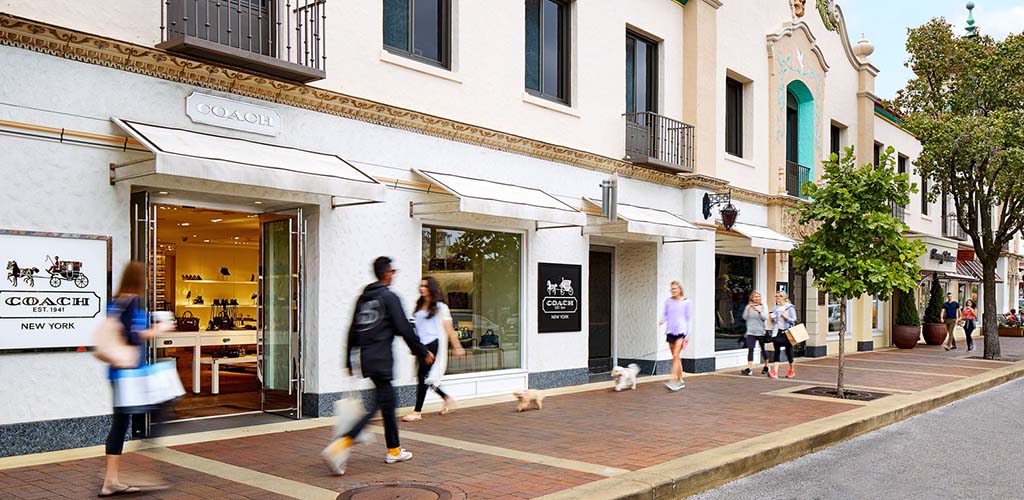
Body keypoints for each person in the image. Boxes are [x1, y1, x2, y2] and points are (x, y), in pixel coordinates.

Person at [328, 257, 434, 474]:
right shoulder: (389, 297)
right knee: (381, 403)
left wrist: (349, 359)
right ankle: (341, 444)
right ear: (386, 273)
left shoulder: (363, 298)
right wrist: (422, 351)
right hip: (381, 359)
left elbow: (352, 329)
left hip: (366, 358)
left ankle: (394, 450)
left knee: (388, 403)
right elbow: (404, 328)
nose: (393, 275)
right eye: (392, 271)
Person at [99, 262, 173, 497]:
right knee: (163, 402)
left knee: (120, 424)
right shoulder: (131, 302)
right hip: (129, 374)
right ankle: (116, 477)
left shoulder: (115, 302)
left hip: (120, 372)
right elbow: (132, 336)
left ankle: (111, 480)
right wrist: (158, 330)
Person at [401, 277, 465, 422]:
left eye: (425, 286)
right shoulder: (419, 305)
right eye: (421, 285)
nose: (422, 288)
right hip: (421, 346)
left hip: (432, 344)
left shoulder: (440, 307)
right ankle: (446, 398)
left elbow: (448, 328)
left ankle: (417, 412)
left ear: (431, 288)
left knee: (424, 377)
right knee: (425, 377)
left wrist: (457, 346)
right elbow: (413, 325)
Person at [659, 281, 691, 391]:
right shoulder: (668, 301)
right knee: (676, 357)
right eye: (672, 289)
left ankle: (673, 380)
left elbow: (689, 319)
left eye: (675, 289)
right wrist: (663, 320)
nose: (673, 291)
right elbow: (665, 313)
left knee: (676, 355)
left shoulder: (686, 302)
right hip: (670, 331)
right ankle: (681, 380)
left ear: (680, 289)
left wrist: (687, 334)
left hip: (681, 332)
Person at [769, 292, 798, 379]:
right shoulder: (775, 308)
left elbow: (794, 320)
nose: (778, 298)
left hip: (787, 332)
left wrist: (785, 317)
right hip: (777, 332)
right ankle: (775, 371)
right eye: (776, 296)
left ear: (784, 298)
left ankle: (791, 370)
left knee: (788, 352)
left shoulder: (789, 308)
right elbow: (774, 322)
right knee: (776, 350)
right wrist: (772, 319)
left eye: (780, 296)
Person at [740, 291, 770, 376]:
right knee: (750, 349)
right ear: (752, 298)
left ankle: (766, 366)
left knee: (763, 349)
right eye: (755, 297)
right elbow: (744, 317)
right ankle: (749, 368)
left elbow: (765, 317)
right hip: (751, 331)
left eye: (758, 296)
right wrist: (748, 310)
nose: (756, 298)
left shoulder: (763, 306)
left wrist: (759, 311)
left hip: (761, 331)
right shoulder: (749, 306)